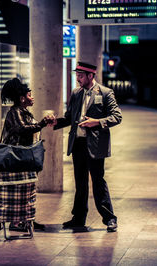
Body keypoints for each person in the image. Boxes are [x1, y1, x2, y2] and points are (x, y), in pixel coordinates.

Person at [53, 62, 122, 232]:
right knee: (80, 183)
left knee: (98, 182)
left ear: (91, 76)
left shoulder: (105, 93)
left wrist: (97, 122)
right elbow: (70, 117)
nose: (78, 78)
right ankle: (78, 219)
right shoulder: (76, 93)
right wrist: (56, 122)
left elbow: (117, 116)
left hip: (96, 145)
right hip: (78, 144)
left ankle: (110, 218)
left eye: (81, 75)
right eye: (77, 75)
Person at [0, 77, 55, 231]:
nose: (32, 98)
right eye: (30, 95)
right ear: (22, 98)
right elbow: (23, 128)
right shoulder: (15, 112)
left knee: (27, 189)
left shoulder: (23, 111)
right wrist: (42, 123)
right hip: (18, 157)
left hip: (24, 156)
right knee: (20, 189)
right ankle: (16, 222)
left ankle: (27, 219)